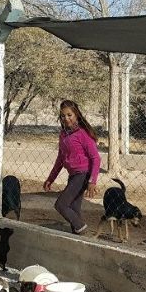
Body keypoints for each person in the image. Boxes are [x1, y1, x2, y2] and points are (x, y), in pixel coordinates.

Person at [43, 100, 101, 234]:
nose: (66, 118)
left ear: (76, 115)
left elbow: (95, 158)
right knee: (74, 210)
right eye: (63, 116)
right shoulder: (63, 134)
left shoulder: (82, 134)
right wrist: (50, 179)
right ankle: (79, 237)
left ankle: (82, 229)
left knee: (61, 205)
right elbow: (60, 159)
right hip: (73, 175)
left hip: (83, 175)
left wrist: (92, 181)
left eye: (70, 115)